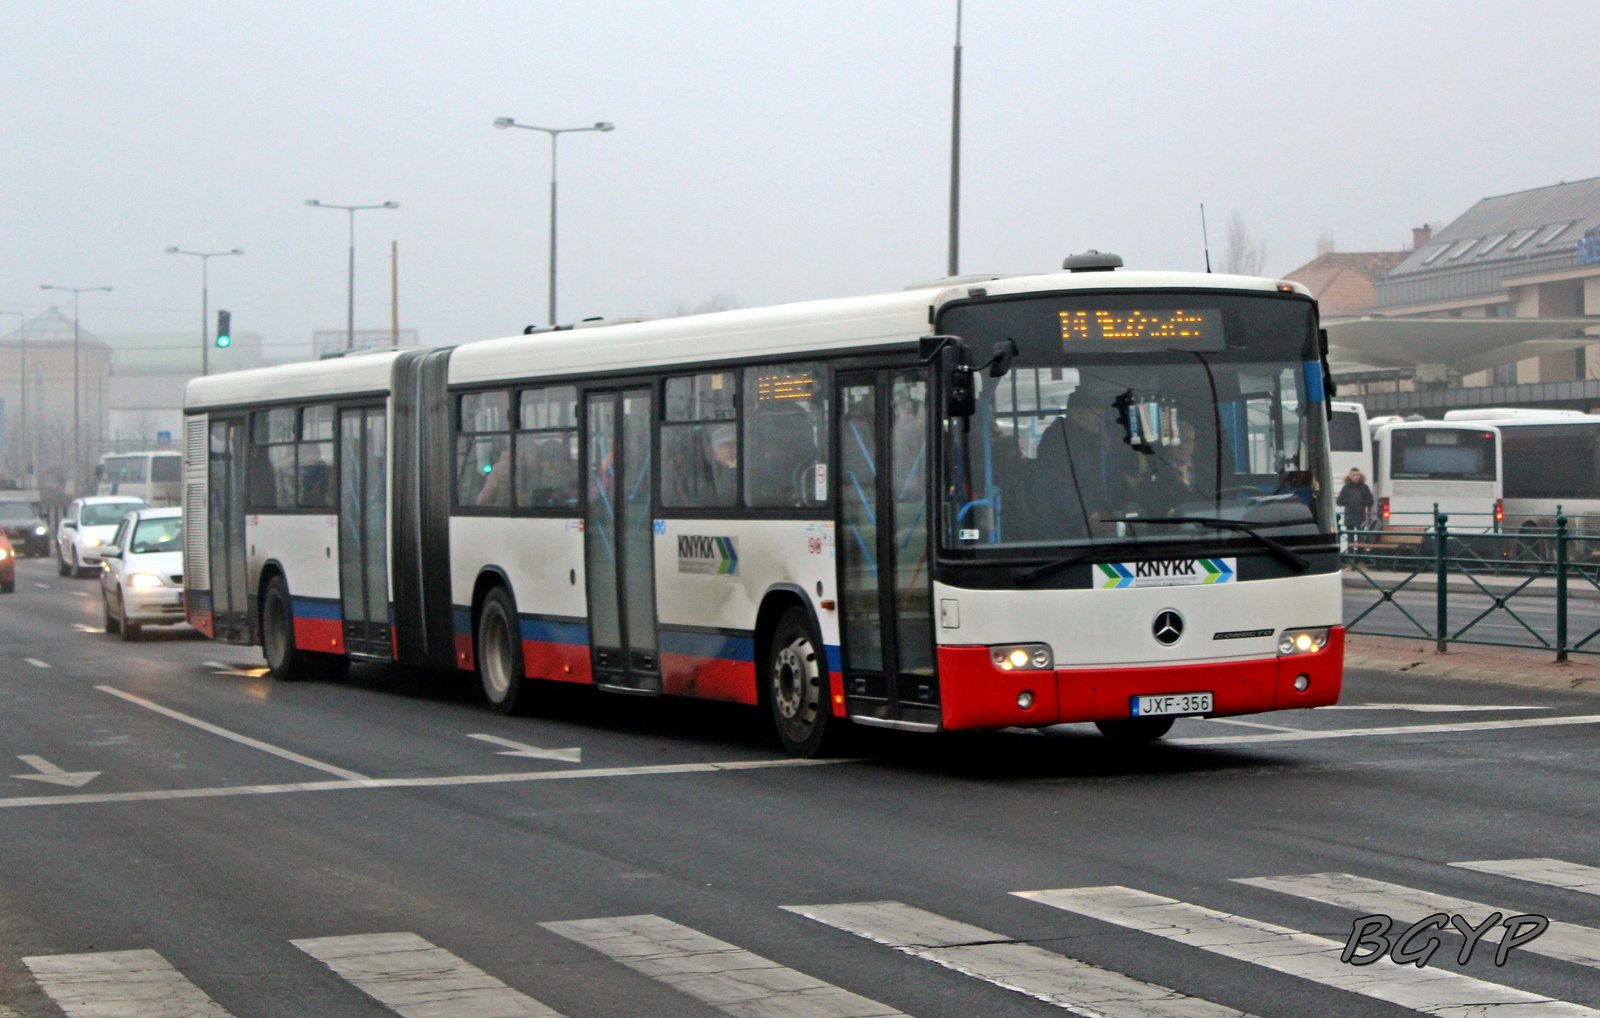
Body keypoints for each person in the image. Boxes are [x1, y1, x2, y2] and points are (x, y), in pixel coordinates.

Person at [1336, 468, 1374, 533]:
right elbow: (1339, 502)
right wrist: (1349, 501)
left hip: (1360, 516)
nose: (1355, 477)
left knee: (1360, 536)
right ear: (1350, 476)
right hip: (1349, 516)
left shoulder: (1364, 487)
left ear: (1360, 476)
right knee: (1350, 537)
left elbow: (1371, 502)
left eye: (1357, 475)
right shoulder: (1346, 488)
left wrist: (1361, 502)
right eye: (1353, 475)